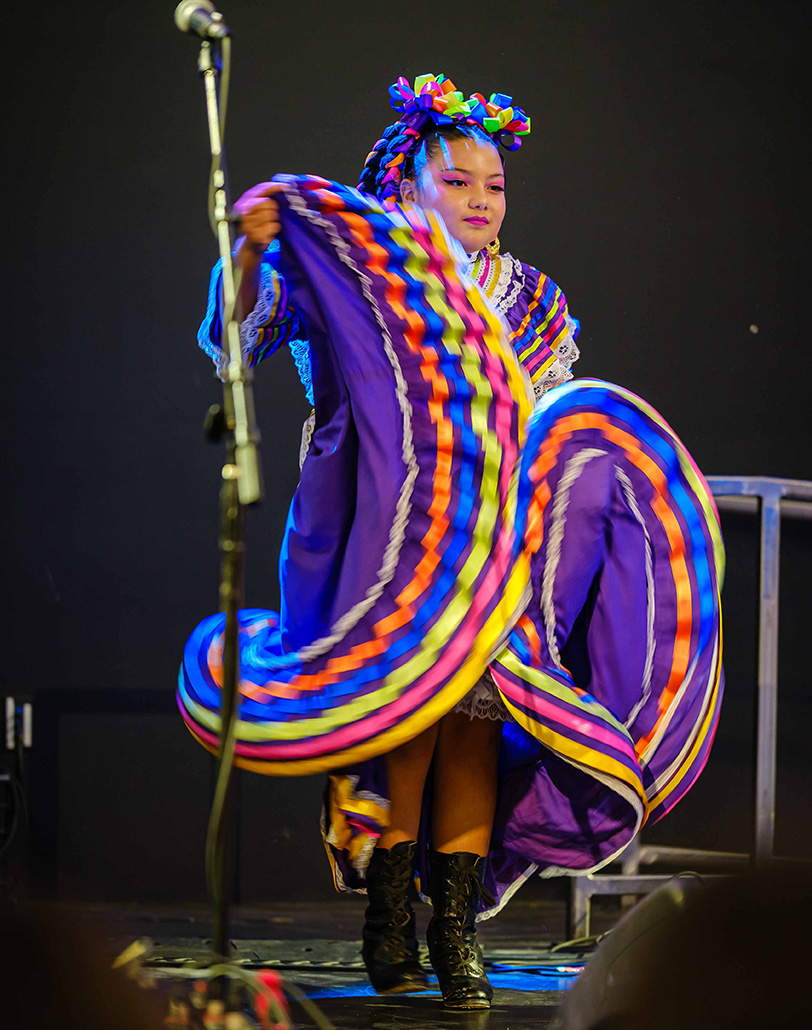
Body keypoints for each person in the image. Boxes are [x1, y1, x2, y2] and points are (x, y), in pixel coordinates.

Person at [182, 74, 723, 1011]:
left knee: (474, 721)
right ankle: (389, 915)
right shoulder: (354, 268)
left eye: (494, 186)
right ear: (407, 187)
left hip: (494, 534)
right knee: (406, 716)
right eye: (459, 181)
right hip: (377, 528)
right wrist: (251, 253)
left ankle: (456, 928)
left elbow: (549, 418)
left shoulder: (533, 299)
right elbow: (235, 346)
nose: (480, 200)